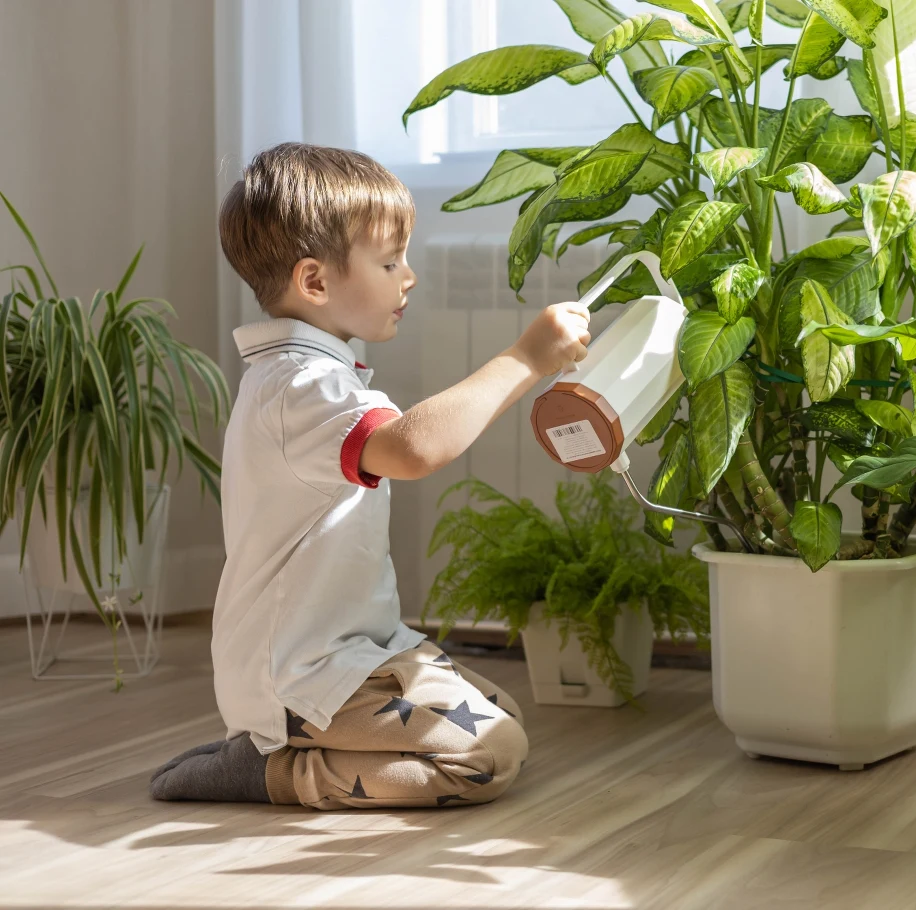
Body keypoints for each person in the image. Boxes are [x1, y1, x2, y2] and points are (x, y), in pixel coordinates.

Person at [149, 142, 590, 809]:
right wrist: (526, 357)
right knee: (488, 756)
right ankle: (272, 770)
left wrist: (531, 366)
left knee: (504, 717)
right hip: (304, 673)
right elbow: (413, 449)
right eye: (389, 262)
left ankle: (279, 745)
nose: (407, 277)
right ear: (316, 282)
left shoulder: (311, 376)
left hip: (356, 653)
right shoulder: (298, 387)